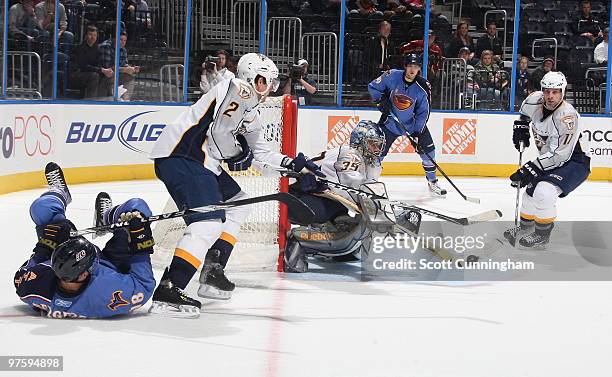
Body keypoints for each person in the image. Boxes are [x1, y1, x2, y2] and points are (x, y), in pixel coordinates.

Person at [149, 53, 323, 317]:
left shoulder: (251, 112)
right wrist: (236, 154)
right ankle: (170, 287)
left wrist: (294, 166)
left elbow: (261, 156)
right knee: (207, 223)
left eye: (273, 84)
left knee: (237, 204)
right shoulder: (239, 90)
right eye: (267, 81)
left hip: (202, 161)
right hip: (183, 156)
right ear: (253, 78)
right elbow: (221, 134)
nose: (270, 89)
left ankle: (212, 271)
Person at [14, 162, 156, 318]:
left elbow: (21, 276)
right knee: (138, 208)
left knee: (42, 207)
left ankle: (60, 193)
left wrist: (44, 247)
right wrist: (140, 244)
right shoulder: (107, 291)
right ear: (84, 275)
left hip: (76, 263)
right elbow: (144, 286)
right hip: (114, 265)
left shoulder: (35, 286)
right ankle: (107, 217)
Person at [283, 121, 389, 272]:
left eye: (379, 145)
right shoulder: (350, 155)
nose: (376, 149)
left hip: (320, 196)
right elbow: (352, 187)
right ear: (360, 141)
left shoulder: (370, 163)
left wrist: (380, 208)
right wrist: (373, 209)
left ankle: (334, 248)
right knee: (329, 216)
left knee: (345, 223)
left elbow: (370, 188)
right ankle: (299, 240)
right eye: (373, 144)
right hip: (295, 196)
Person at [505, 71, 591, 248]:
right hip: (550, 158)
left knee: (544, 191)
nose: (550, 96)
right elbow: (524, 115)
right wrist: (521, 126)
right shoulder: (534, 100)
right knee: (530, 190)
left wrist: (530, 169)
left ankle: (542, 235)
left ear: (563, 92)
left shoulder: (567, 116)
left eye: (556, 92)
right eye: (547, 91)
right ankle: (525, 227)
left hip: (575, 162)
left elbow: (561, 155)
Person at [368, 53, 447, 196]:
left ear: (419, 69)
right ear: (405, 66)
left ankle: (433, 182)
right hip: (390, 122)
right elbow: (373, 87)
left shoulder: (423, 87)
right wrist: (380, 101)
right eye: (410, 66)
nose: (412, 70)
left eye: (415, 67)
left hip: (413, 125)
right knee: (378, 152)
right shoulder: (392, 76)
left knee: (429, 153)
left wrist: (417, 132)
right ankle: (371, 182)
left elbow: (424, 112)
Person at [69, 25, 113, 99]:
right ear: (86, 36)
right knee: (94, 76)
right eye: (90, 35)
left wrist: (106, 71)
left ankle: (104, 100)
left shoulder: (97, 49)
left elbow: (99, 65)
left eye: (94, 35)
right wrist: (101, 70)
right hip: (77, 74)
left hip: (92, 73)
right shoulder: (79, 48)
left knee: (108, 76)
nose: (92, 37)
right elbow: (83, 66)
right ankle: (90, 101)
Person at [99, 31, 140, 100]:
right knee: (113, 77)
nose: (123, 42)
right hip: (104, 75)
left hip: (116, 74)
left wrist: (132, 68)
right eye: (120, 40)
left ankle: (125, 100)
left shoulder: (123, 49)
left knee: (130, 77)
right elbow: (107, 68)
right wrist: (124, 69)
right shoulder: (106, 46)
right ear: (115, 39)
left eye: (125, 40)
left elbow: (124, 64)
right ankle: (112, 99)